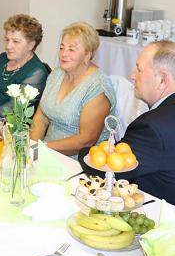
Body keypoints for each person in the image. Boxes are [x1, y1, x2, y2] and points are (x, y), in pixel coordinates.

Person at [81, 41, 175, 226]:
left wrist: (82, 152)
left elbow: (108, 172)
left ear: (162, 80)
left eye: (139, 69)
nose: (132, 76)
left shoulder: (153, 126)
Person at [30, 22, 117, 159]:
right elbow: (41, 117)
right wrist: (32, 146)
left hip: (81, 160)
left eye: (71, 49)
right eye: (62, 47)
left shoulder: (97, 87)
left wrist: (43, 148)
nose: (63, 54)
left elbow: (86, 141)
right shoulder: (56, 74)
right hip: (45, 151)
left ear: (87, 55)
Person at [0, 14, 48, 119]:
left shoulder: (37, 72)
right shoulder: (2, 58)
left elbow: (14, 108)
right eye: (7, 39)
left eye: (15, 41)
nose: (8, 46)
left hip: (7, 123)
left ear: (31, 45)